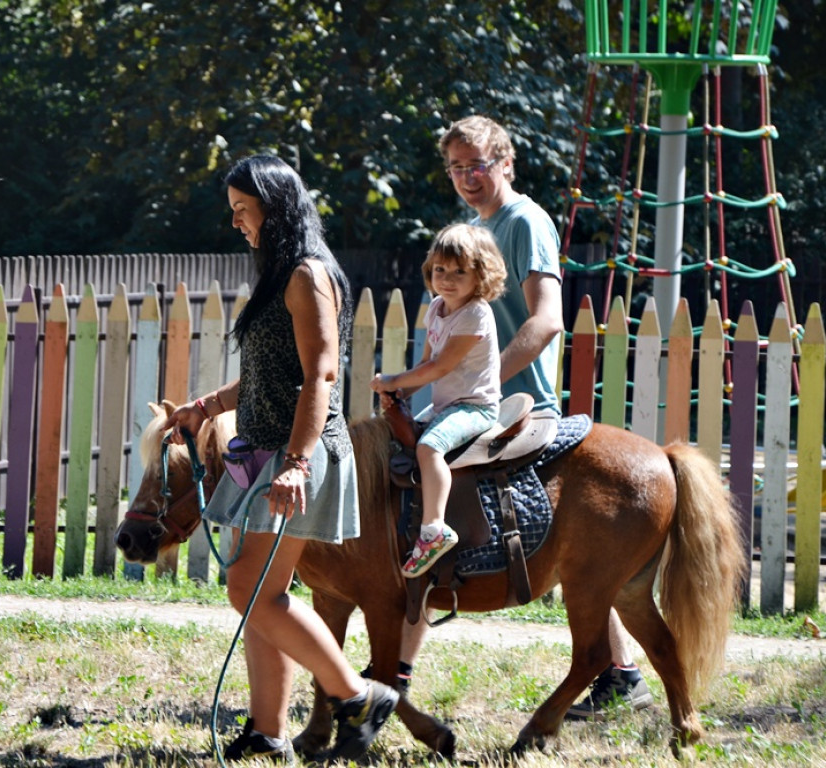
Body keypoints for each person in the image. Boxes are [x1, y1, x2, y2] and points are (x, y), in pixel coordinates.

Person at [395, 115, 653, 718]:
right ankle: (621, 673)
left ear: (507, 163)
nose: (465, 177)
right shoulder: (476, 229)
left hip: (512, 404)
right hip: (470, 399)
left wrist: (481, 384)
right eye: (456, 167)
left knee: (432, 517)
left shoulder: (525, 221)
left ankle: (395, 669)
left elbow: (545, 320)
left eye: (477, 164)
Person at [164, 155, 398, 764]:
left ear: (276, 206)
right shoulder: (279, 274)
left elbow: (322, 373)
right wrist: (208, 406)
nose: (237, 222)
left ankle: (358, 696)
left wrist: (296, 462)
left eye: (244, 209)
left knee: (250, 590)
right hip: (264, 450)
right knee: (259, 593)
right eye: (234, 211)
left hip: (296, 453)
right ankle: (267, 733)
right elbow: (270, 373)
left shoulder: (307, 274)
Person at [370, 223, 506, 578]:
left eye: (460, 271)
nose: (447, 279)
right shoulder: (436, 308)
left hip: (475, 405)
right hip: (449, 403)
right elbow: (425, 366)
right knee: (398, 438)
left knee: (429, 448)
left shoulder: (476, 313)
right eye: (440, 269)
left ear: (481, 275)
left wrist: (393, 380)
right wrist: (400, 394)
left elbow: (441, 365)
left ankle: (434, 528)